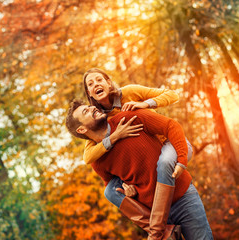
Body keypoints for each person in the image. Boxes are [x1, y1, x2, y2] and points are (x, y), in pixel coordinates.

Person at [65, 100, 213, 240]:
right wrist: (129, 194)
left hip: (183, 200)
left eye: (89, 106)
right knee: (108, 191)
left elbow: (170, 126)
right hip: (154, 213)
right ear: (82, 129)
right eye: (86, 111)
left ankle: (155, 232)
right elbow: (113, 187)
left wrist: (181, 159)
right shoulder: (97, 160)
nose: (92, 107)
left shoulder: (129, 118)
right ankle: (156, 229)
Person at [82, 68, 193, 236]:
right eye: (90, 84)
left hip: (171, 144)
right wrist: (114, 137)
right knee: (109, 191)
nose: (95, 84)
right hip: (148, 164)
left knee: (164, 163)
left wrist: (145, 104)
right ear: (89, 93)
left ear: (108, 82)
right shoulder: (99, 119)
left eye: (99, 80)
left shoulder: (129, 92)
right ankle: (162, 230)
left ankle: (156, 232)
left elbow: (172, 95)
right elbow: (88, 156)